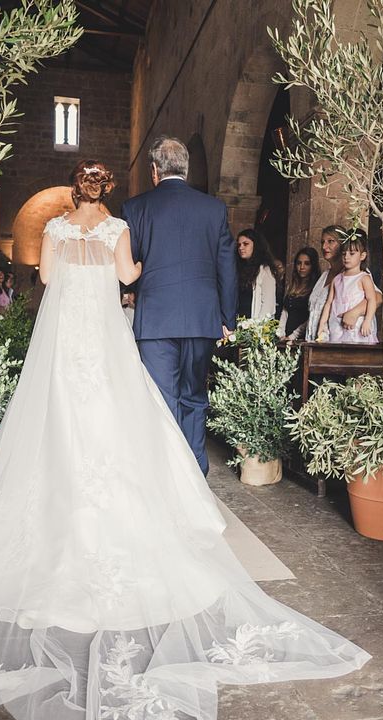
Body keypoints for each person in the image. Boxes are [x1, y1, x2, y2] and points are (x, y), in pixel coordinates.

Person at [0, 155, 369, 720]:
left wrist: (74, 262)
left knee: (54, 415)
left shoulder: (54, 230)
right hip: (102, 336)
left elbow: (44, 276)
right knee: (123, 413)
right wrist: (135, 267)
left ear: (74, 191)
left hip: (61, 340)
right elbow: (129, 274)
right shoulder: (118, 227)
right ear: (107, 191)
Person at [122, 137, 240, 475]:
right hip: (203, 320)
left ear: (155, 171)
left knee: (162, 402)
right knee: (194, 398)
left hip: (156, 321)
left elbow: (129, 268)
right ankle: (195, 473)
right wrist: (225, 318)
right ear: (185, 170)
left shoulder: (135, 208)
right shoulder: (213, 208)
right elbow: (226, 266)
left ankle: (168, 479)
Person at [317, 228, 379, 344]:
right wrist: (322, 324)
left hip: (356, 329)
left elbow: (372, 300)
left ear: (362, 256)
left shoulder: (364, 278)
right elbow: (329, 303)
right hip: (336, 328)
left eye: (352, 253)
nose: (346, 257)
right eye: (344, 254)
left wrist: (367, 320)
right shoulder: (337, 280)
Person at [235, 228, 277, 321]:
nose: (241, 247)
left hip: (254, 326)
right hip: (238, 324)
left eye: (245, 244)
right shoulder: (238, 269)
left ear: (256, 245)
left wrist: (257, 329)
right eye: (239, 245)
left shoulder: (265, 270)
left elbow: (268, 304)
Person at [279, 246, 319, 341]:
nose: (302, 267)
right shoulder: (292, 285)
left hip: (301, 338)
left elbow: (311, 317)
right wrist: (280, 333)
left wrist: (293, 336)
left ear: (313, 266)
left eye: (307, 264)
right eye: (299, 263)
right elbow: (285, 311)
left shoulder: (315, 287)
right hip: (285, 337)